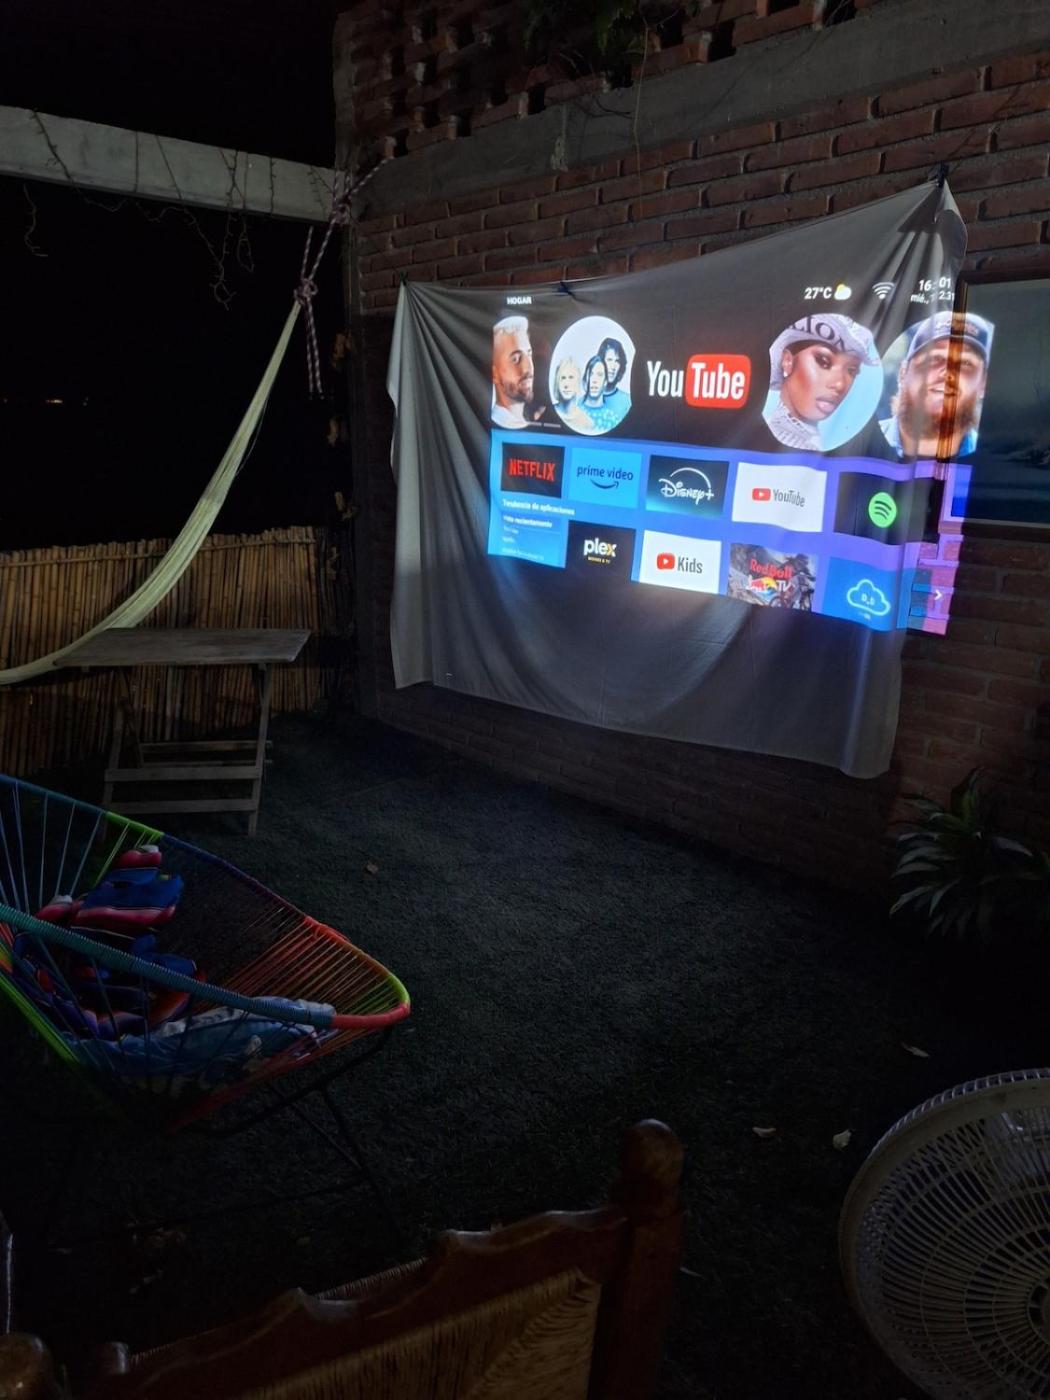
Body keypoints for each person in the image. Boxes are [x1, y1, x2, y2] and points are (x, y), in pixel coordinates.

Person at [878, 312, 992, 460]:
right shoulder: (863, 443)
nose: (948, 372)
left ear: (983, 384)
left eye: (965, 362)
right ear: (903, 373)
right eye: (935, 358)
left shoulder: (993, 461)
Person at [764, 315, 879, 452]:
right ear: (787, 361)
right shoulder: (775, 440)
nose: (840, 384)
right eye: (823, 362)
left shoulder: (814, 443)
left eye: (851, 371)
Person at [491, 316, 535, 428]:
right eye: (515, 359)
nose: (528, 368)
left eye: (529, 354)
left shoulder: (528, 420)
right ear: (495, 374)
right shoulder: (497, 422)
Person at [596, 335, 631, 430]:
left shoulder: (628, 402)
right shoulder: (583, 402)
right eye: (609, 360)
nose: (613, 366)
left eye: (617, 361)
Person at [551, 357, 594, 432]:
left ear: (578, 382)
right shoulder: (548, 413)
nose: (566, 384)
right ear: (557, 383)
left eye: (571, 378)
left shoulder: (587, 422)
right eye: (563, 378)